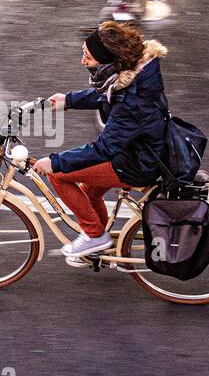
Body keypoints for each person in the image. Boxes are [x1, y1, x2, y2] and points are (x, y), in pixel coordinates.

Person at [32, 22, 169, 261]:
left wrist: (54, 162)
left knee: (59, 175)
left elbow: (104, 148)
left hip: (134, 163)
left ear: (107, 62)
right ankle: (97, 240)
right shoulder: (132, 75)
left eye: (88, 57)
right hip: (141, 151)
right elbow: (107, 95)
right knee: (88, 192)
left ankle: (95, 236)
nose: (83, 62)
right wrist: (68, 100)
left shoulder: (131, 100)